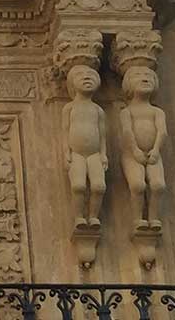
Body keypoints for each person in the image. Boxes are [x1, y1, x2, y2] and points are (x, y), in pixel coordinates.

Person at [120, 66, 167, 230]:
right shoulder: (127, 111)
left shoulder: (157, 111)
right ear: (128, 85)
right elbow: (127, 131)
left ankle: (154, 219)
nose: (145, 78)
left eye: (149, 75)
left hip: (154, 154)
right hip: (132, 155)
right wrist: (135, 151)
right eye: (138, 76)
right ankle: (138, 219)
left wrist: (155, 150)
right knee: (137, 185)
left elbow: (162, 131)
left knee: (158, 185)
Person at [62, 65, 107, 229]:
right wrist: (66, 151)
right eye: (80, 75)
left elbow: (102, 133)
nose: (86, 77)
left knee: (99, 186)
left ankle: (93, 216)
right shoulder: (69, 108)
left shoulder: (98, 109)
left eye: (91, 75)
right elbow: (65, 129)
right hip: (77, 154)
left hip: (94, 153)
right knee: (78, 185)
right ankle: (79, 217)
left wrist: (103, 154)